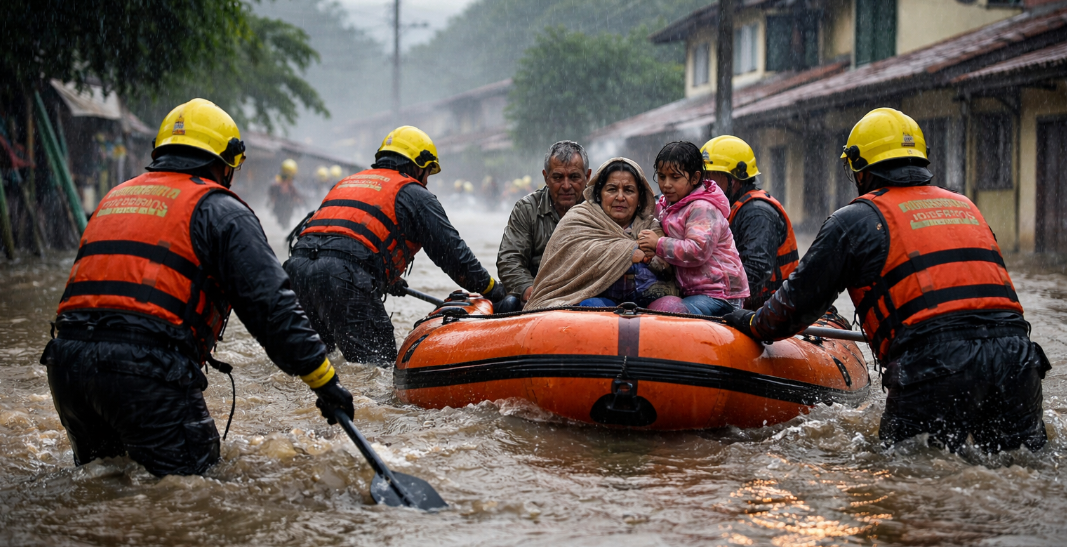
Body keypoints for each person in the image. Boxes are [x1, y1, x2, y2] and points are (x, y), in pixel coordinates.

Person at [41, 98, 354, 477]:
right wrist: (324, 380)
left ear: (161, 152)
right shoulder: (221, 211)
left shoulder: (115, 198)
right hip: (144, 370)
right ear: (224, 163)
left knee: (103, 485)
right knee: (191, 493)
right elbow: (271, 307)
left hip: (66, 367)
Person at [724, 108, 1050, 453]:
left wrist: (752, 322)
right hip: (1018, 361)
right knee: (1018, 464)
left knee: (909, 477)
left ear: (860, 171)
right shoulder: (967, 207)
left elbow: (795, 306)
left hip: (935, 364)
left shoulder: (855, 220)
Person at [285, 126, 507, 365]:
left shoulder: (347, 183)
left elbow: (342, 239)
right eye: (428, 174)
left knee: (311, 365)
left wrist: (386, 279)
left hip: (295, 275)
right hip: (343, 278)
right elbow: (453, 255)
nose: (427, 182)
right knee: (377, 369)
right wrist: (494, 291)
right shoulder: (414, 194)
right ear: (418, 166)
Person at [524, 157, 673, 310]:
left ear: (640, 198)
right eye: (612, 189)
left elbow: (667, 267)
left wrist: (651, 256)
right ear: (599, 194)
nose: (620, 197)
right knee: (591, 306)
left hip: (645, 300)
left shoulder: (651, 225)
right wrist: (630, 250)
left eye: (628, 190)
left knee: (673, 307)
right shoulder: (579, 218)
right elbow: (573, 259)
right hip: (595, 298)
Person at [637, 141, 749, 316]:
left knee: (672, 313)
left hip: (719, 294)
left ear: (695, 178)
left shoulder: (702, 207)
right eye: (661, 176)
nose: (666, 184)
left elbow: (697, 250)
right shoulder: (669, 205)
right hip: (694, 291)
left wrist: (657, 244)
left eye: (675, 177)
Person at [701, 136, 798, 310]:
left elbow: (756, 271)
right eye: (704, 178)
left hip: (772, 307)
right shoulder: (725, 209)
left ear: (735, 180)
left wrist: (721, 303)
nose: (706, 186)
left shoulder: (757, 213)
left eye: (712, 178)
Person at [495, 141, 590, 312]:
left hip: (586, 297)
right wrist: (530, 290)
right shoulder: (527, 209)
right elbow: (509, 259)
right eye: (558, 177)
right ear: (546, 177)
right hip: (535, 300)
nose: (566, 186)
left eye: (574, 177)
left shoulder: (600, 209)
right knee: (510, 303)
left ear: (587, 177)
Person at [269, 158, 304, 228]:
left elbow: (271, 193)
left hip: (281, 208)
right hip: (286, 208)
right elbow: (298, 195)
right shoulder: (292, 184)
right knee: (285, 225)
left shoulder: (276, 181)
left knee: (281, 224)